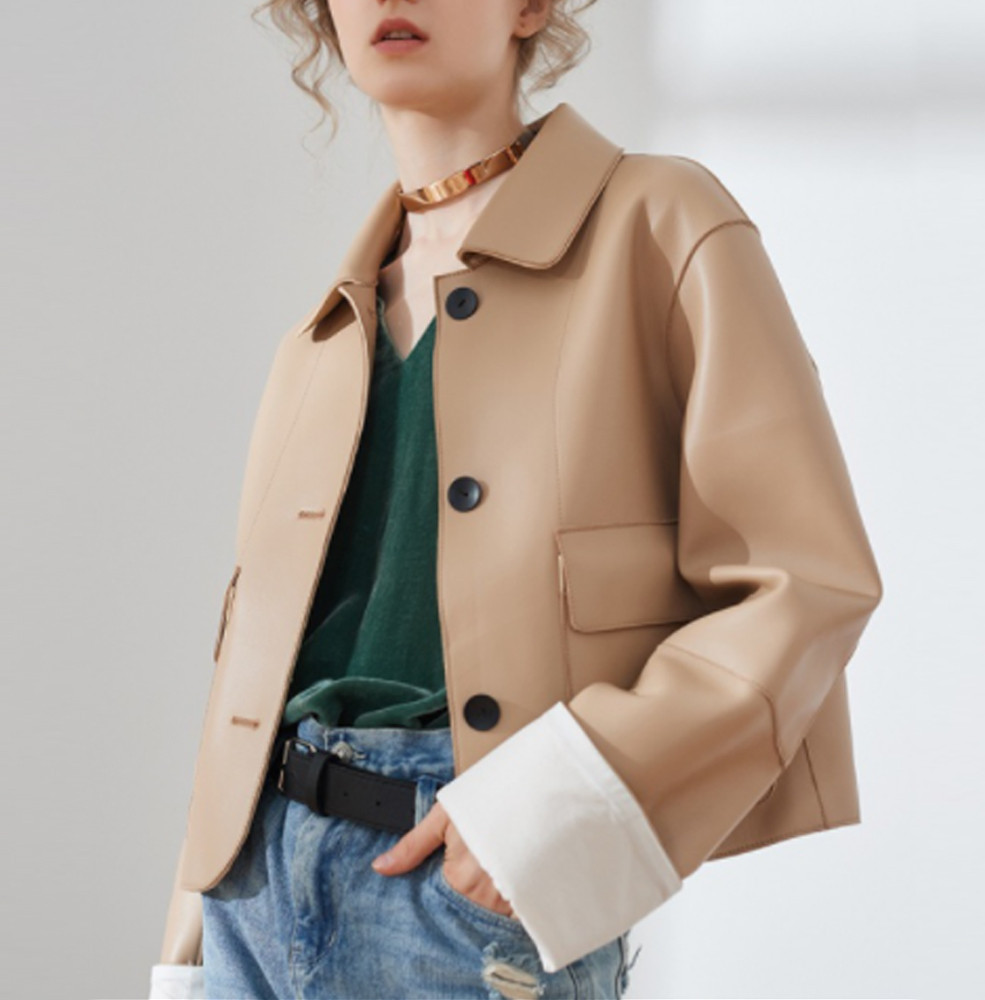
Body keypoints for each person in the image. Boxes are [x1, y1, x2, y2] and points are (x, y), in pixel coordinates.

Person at [149, 1, 883, 998]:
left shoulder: (658, 222)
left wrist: (544, 822)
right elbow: (249, 665)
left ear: (530, 6)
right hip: (251, 893)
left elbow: (805, 580)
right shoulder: (319, 339)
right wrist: (184, 947)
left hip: (461, 893)